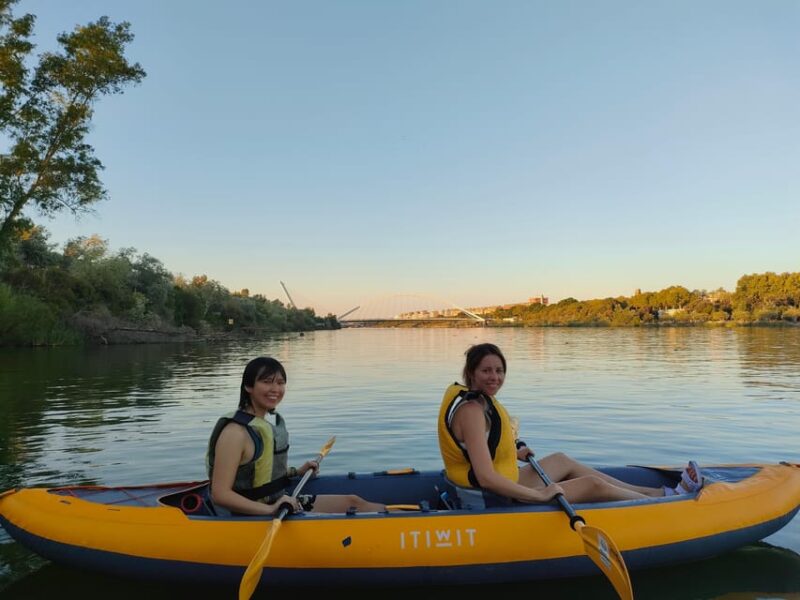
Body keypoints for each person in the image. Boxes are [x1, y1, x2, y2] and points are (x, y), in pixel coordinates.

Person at [437, 342, 703, 509]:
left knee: (562, 460)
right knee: (591, 485)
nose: (495, 377)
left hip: (500, 483)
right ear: (471, 373)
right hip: (492, 496)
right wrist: (541, 497)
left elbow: (480, 447)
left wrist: (513, 450)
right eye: (487, 371)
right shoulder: (471, 410)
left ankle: (661, 493)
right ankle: (668, 507)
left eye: (499, 370)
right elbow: (486, 477)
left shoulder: (479, 402)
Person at [207, 356, 385, 515]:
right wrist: (270, 510)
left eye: (280, 382)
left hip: (280, 503)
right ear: (248, 386)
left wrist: (296, 472)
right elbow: (220, 494)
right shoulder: (235, 433)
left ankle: (409, 517)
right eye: (267, 382)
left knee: (353, 501)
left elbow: (258, 472)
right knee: (351, 506)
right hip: (257, 514)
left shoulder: (261, 426)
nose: (275, 389)